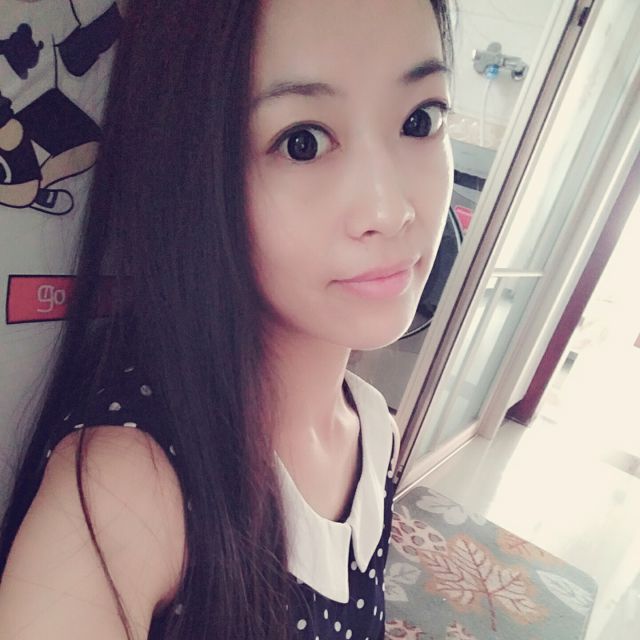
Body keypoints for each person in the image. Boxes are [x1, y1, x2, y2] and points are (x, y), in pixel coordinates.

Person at [0, 0, 455, 638]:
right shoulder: (129, 487)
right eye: (302, 142)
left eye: (419, 120)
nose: (391, 209)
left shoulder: (374, 425)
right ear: (189, 172)